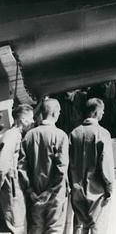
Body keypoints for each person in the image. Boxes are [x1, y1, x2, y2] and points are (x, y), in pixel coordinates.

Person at [18, 98, 69, 234]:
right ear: (54, 113)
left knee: (35, 230)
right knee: (54, 230)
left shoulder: (28, 136)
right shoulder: (61, 136)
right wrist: (50, 192)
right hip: (54, 195)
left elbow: (21, 167)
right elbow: (61, 169)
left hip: (34, 195)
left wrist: (29, 190)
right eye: (58, 111)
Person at [69, 98, 114, 234]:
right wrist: (109, 187)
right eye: (102, 111)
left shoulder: (73, 133)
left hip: (77, 190)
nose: (103, 114)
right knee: (98, 228)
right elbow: (105, 162)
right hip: (97, 190)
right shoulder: (102, 133)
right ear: (96, 112)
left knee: (81, 228)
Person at [0, 103, 34, 234]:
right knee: (16, 227)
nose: (32, 121)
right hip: (11, 191)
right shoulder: (12, 135)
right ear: (22, 119)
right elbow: (2, 165)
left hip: (14, 189)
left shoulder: (16, 135)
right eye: (30, 118)